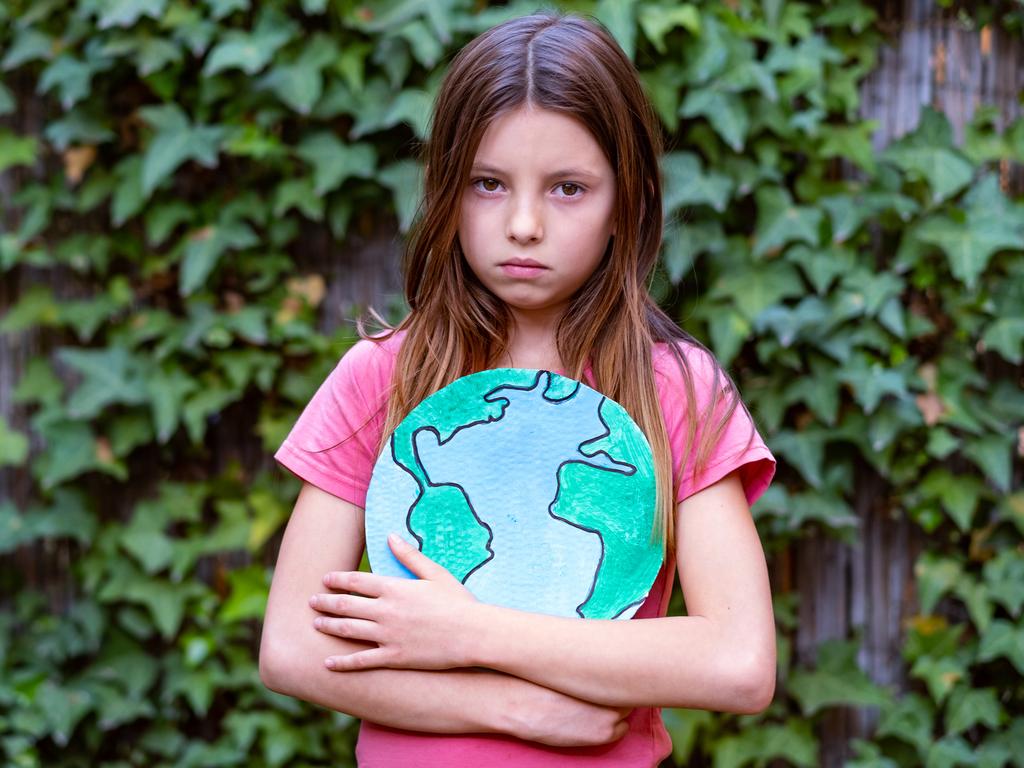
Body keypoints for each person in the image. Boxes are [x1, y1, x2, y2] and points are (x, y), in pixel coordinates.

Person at [259, 10, 777, 767]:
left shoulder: (678, 390)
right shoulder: (382, 377)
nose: (524, 224)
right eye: (488, 184)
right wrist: (516, 706)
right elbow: (291, 647)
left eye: (568, 188)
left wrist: (470, 631)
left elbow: (738, 661)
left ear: (626, 203)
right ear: (445, 191)